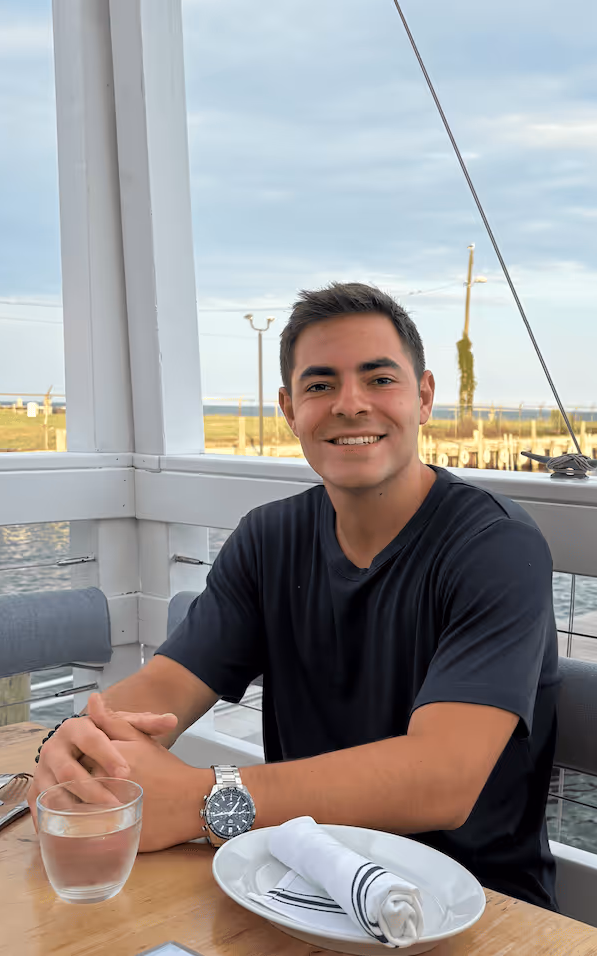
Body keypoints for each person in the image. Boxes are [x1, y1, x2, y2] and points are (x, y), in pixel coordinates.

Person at [30, 282, 561, 911]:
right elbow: (159, 699)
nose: (349, 404)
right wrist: (75, 746)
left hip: (471, 906)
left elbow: (442, 780)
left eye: (379, 379)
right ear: (288, 407)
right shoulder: (269, 540)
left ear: (423, 397)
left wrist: (206, 799)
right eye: (319, 385)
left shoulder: (495, 546)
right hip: (292, 889)